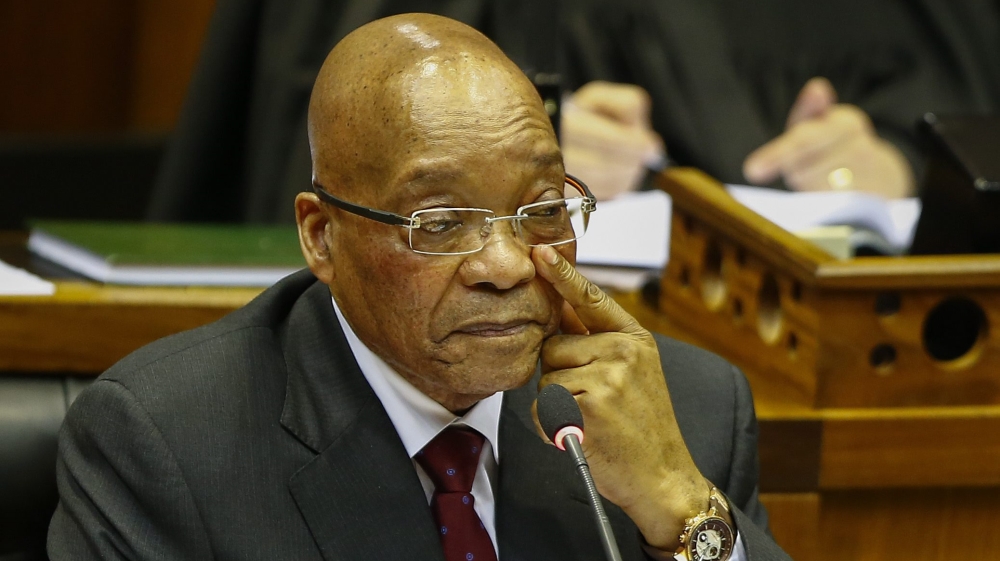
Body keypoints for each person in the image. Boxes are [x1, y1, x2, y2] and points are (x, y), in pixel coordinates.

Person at [49, 14, 790, 560]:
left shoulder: (684, 412)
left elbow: (687, 510)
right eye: (440, 222)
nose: (506, 265)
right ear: (322, 235)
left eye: (541, 210)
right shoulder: (169, 443)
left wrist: (683, 511)